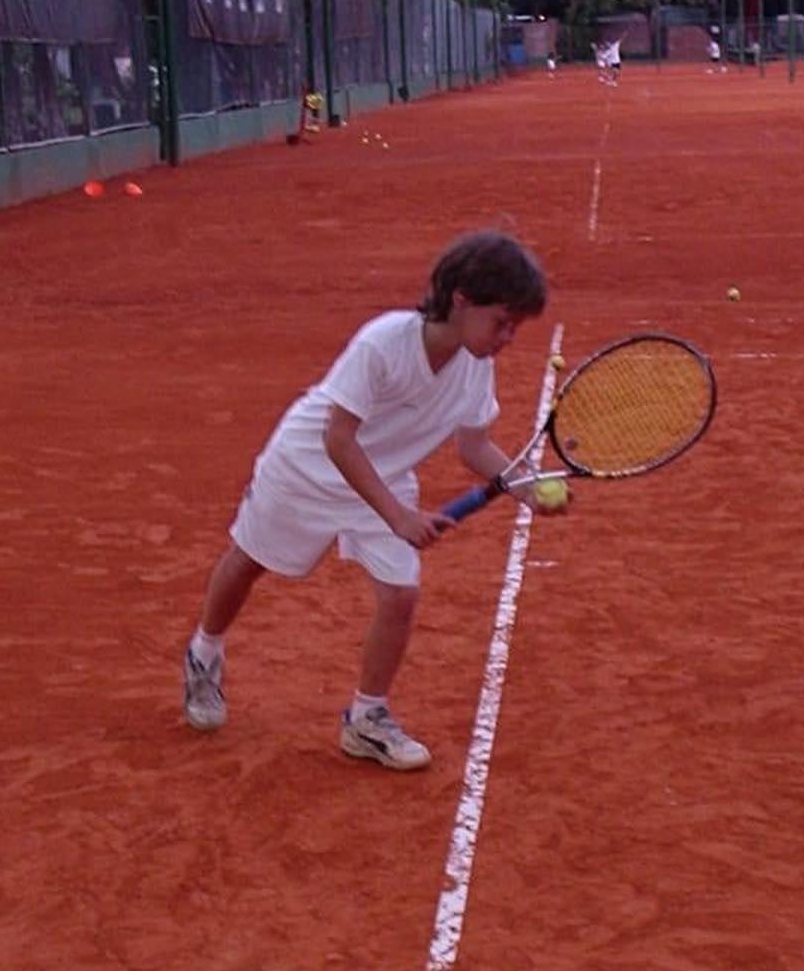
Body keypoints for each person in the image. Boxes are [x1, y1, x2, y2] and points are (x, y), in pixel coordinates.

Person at [181, 232, 549, 770]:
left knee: (400, 594)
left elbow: (475, 447)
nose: (508, 336)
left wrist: (529, 486)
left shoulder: (476, 366)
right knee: (249, 563)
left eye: (516, 326)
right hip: (306, 468)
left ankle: (367, 719)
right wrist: (397, 515)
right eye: (502, 321)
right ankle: (204, 653)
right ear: (462, 300)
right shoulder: (384, 342)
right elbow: (338, 437)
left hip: (382, 478)